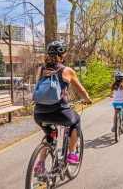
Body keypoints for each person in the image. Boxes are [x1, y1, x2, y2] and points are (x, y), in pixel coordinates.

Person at [33, 41, 92, 171]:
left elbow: (38, 89)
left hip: (39, 113)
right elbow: (80, 90)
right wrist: (87, 99)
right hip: (60, 112)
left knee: (50, 134)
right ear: (63, 56)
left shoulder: (41, 69)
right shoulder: (67, 70)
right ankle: (71, 154)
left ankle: (39, 164)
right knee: (75, 119)